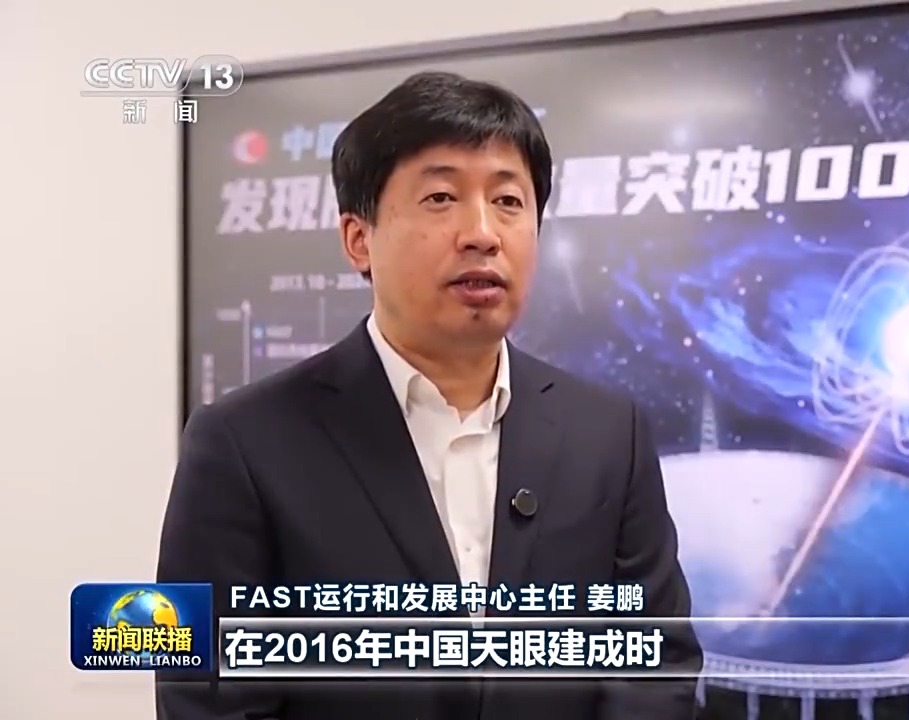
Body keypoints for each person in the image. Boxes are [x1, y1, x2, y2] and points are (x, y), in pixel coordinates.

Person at [156, 71, 702, 720]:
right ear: (359, 239)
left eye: (508, 201)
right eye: (441, 198)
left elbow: (655, 668)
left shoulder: (610, 435)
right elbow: (210, 696)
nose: (482, 233)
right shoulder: (244, 443)